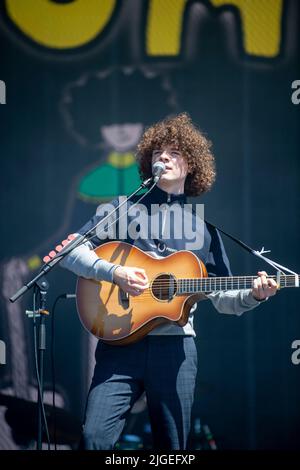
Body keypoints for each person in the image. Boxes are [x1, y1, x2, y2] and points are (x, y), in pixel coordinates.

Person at [57, 113, 277, 450]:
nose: (164, 157)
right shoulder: (121, 210)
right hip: (120, 344)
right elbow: (69, 252)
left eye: (174, 152)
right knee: (93, 439)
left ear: (191, 166)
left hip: (175, 352)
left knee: (173, 448)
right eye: (158, 152)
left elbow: (226, 298)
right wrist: (114, 272)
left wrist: (255, 296)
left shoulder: (205, 231)